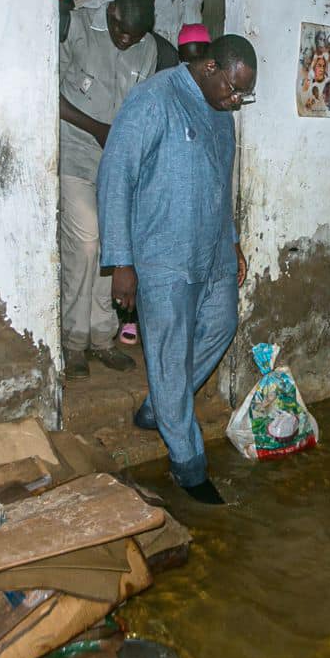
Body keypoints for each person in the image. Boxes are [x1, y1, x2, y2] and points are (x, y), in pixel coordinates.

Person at [97, 35, 257, 505]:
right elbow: (116, 175)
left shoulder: (222, 115)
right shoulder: (154, 99)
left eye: (243, 94)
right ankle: (189, 466)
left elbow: (220, 183)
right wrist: (121, 262)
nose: (235, 101)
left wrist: (233, 242)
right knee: (168, 357)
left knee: (222, 325)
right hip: (162, 258)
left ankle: (161, 406)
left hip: (212, 253)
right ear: (209, 68)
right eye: (232, 89)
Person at [58, 0, 158, 379]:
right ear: (112, 10)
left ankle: (101, 339)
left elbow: (142, 110)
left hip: (118, 168)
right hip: (76, 156)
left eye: (133, 36)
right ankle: (71, 339)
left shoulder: (147, 48)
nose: (125, 40)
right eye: (120, 30)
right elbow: (47, 90)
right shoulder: (77, 29)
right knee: (85, 244)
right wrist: (97, 128)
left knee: (113, 250)